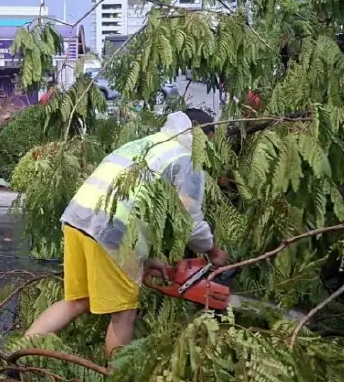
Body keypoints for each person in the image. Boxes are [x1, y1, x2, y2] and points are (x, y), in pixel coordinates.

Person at [25, 108, 228, 357]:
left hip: (77, 220)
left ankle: (15, 356)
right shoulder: (185, 160)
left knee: (77, 301)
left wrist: (146, 258)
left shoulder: (145, 143)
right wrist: (215, 253)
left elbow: (138, 199)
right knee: (123, 315)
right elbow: (190, 223)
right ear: (203, 136)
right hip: (111, 232)